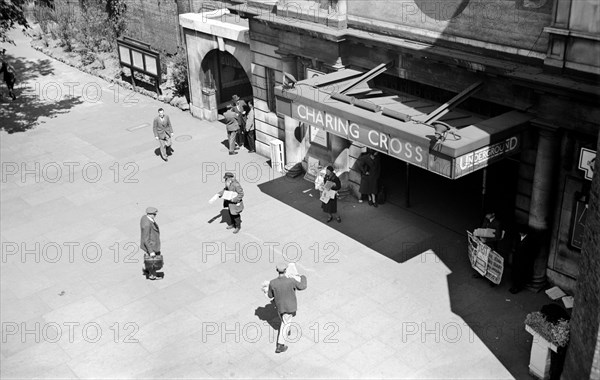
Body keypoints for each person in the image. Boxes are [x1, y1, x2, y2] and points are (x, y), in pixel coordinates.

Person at [268, 262, 307, 353]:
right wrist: (303, 277)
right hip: (289, 307)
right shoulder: (291, 281)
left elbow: (270, 295)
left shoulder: (273, 283)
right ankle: (280, 345)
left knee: (284, 320)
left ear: (277, 270)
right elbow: (302, 286)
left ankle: (286, 331)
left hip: (279, 306)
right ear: (286, 270)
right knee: (285, 323)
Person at [509, 225, 535, 294]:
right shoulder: (518, 237)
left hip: (523, 260)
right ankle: (514, 286)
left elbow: (530, 252)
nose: (520, 233)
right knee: (515, 273)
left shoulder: (529, 240)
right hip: (516, 258)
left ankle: (517, 287)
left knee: (520, 274)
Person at [140, 207, 163, 280]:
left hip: (150, 244)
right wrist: (151, 251)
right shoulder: (147, 224)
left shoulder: (144, 218)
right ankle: (152, 275)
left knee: (150, 259)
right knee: (153, 261)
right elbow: (146, 239)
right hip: (151, 245)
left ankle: (147, 269)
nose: (155, 215)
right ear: (150, 214)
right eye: (154, 214)